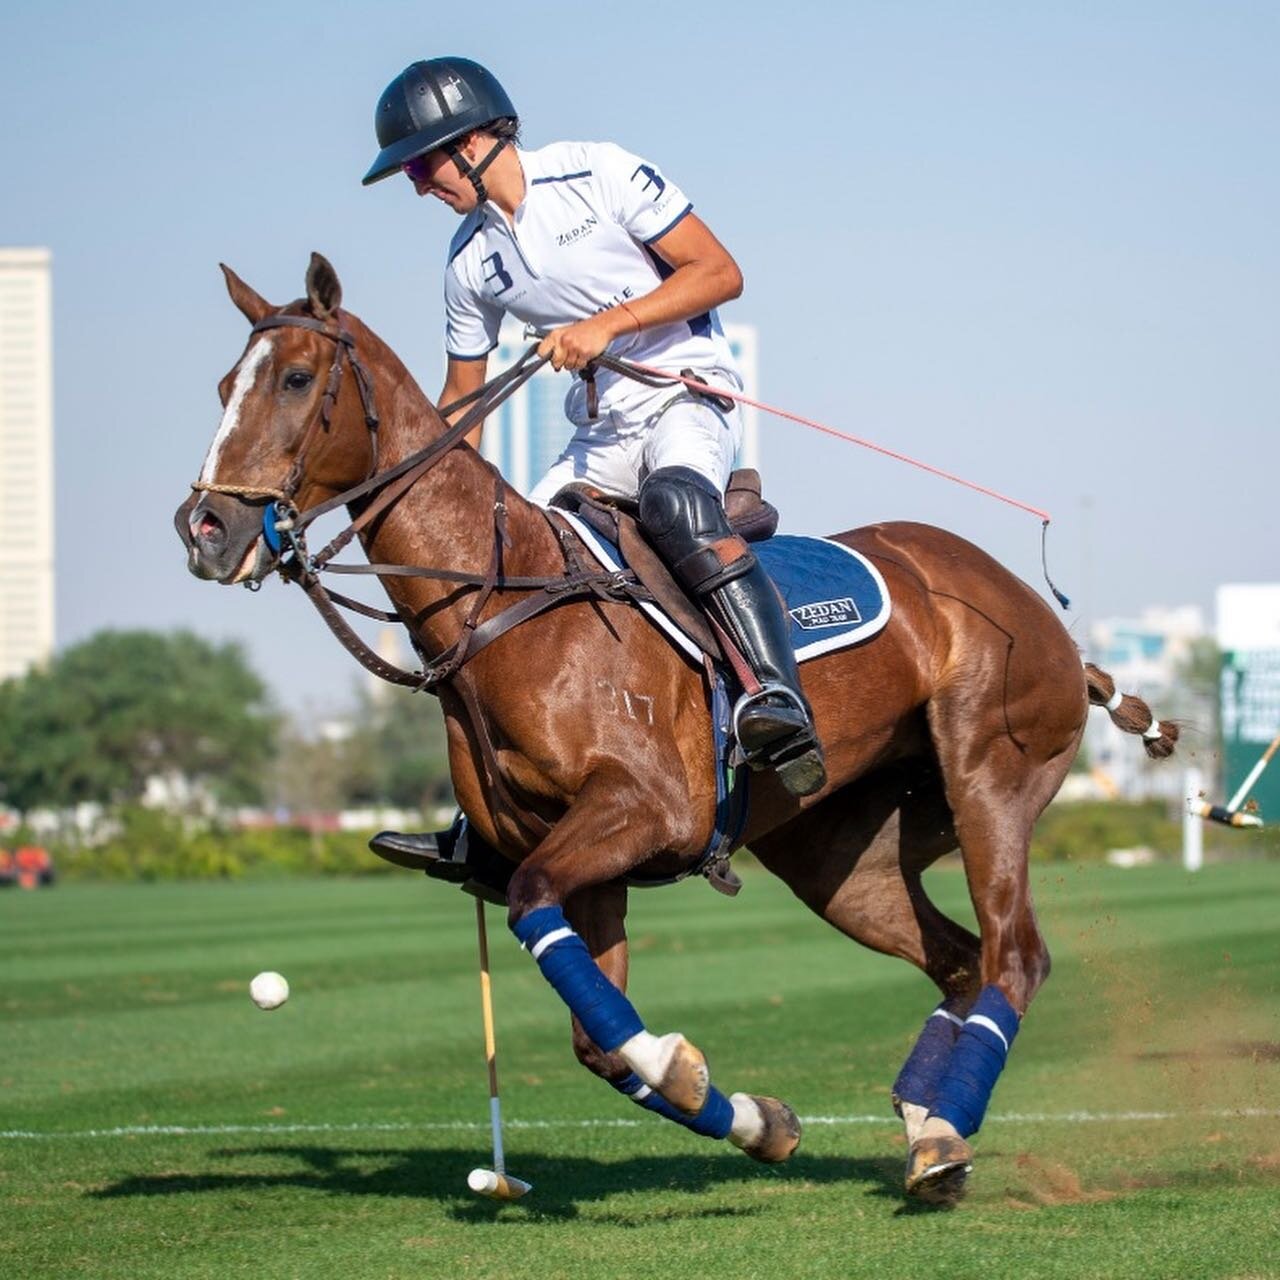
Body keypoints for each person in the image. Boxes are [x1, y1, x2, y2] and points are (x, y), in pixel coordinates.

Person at [362, 57, 825, 877]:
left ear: (473, 142)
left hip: (687, 393)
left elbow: (720, 273)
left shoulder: (598, 172)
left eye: (420, 163)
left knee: (679, 507)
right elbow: (463, 398)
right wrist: (415, 491)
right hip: (599, 433)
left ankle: (775, 698)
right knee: (499, 578)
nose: (416, 184)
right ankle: (489, 814)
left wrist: (610, 325)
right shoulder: (468, 263)